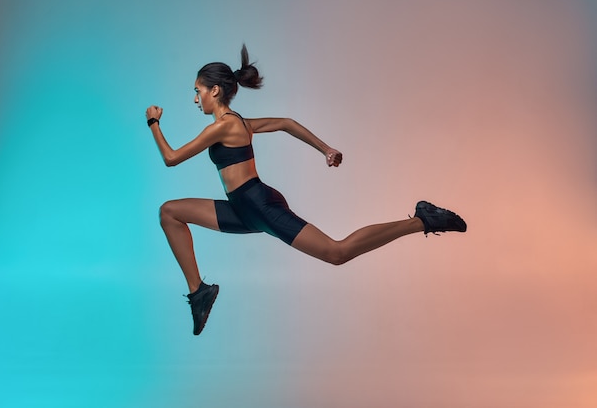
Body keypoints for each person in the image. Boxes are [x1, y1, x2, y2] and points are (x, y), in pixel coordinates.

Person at [145, 45, 466, 335]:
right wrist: (325, 148)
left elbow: (172, 159)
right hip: (242, 208)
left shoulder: (223, 125)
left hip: (258, 206)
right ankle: (199, 292)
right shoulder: (238, 123)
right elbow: (284, 122)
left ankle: (422, 220)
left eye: (197, 91)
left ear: (214, 90)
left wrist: (154, 123)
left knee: (336, 252)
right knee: (170, 213)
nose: (194, 98)